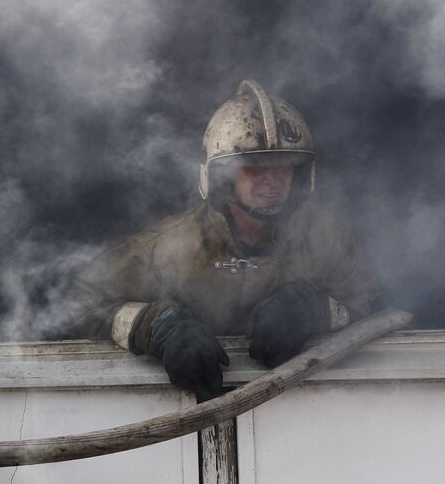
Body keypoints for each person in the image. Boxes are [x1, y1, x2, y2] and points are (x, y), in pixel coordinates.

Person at [72, 80, 380, 400]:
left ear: (300, 173)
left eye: (283, 166)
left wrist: (315, 310)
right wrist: (154, 327)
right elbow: (79, 303)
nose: (272, 179)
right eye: (254, 166)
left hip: (299, 408)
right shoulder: (165, 247)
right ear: (222, 176)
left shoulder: (329, 241)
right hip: (188, 415)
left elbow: (371, 305)